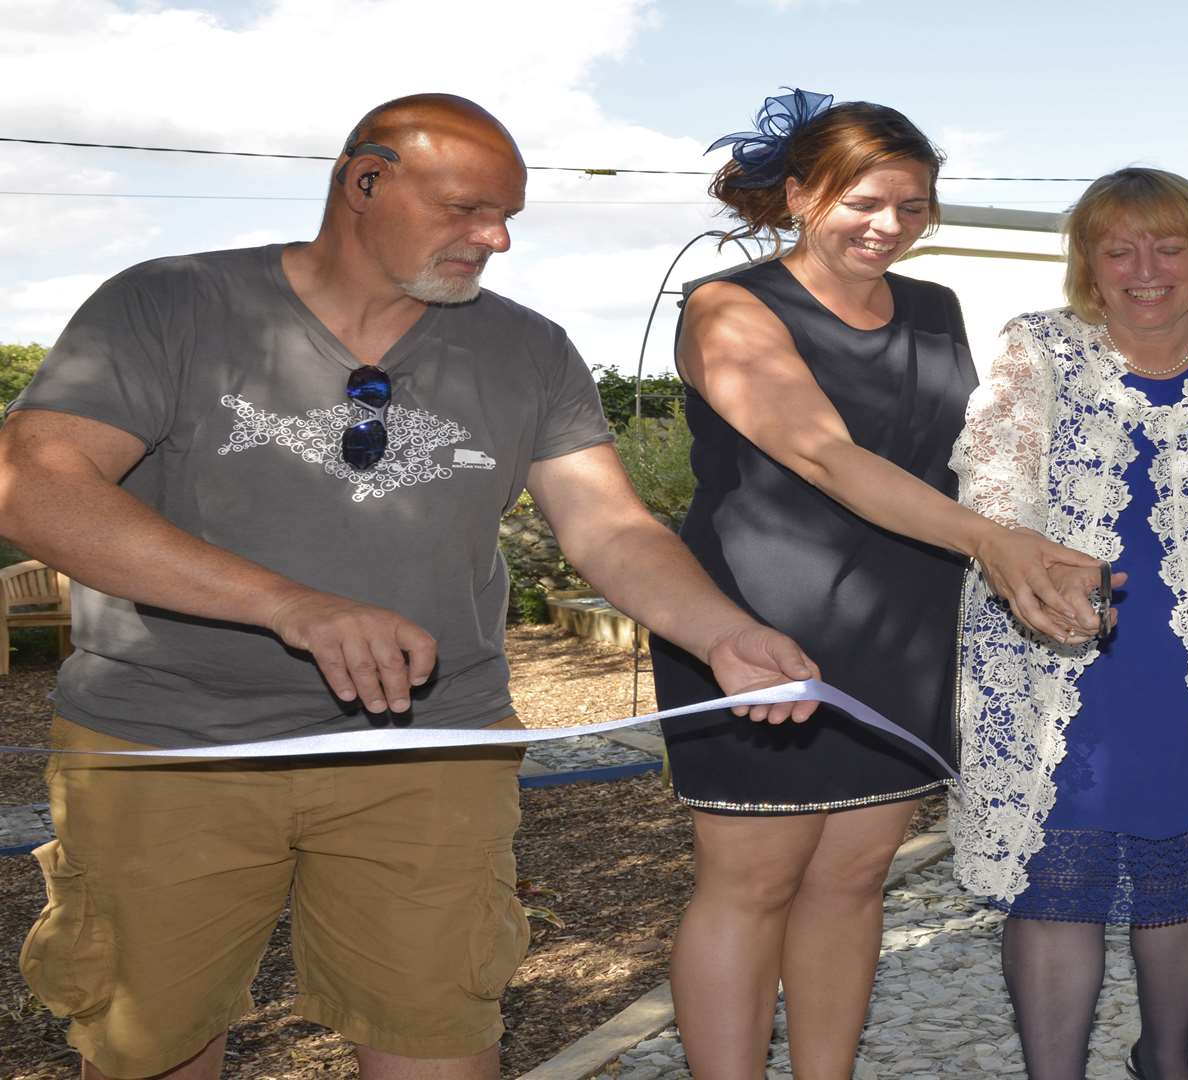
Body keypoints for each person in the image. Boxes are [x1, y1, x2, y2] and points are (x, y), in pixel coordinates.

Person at [0, 94, 819, 1080]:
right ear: (366, 181)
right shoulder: (169, 305)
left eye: (509, 213)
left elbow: (608, 527)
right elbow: (35, 485)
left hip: (432, 744)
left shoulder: (529, 350)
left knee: (439, 1041)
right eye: (469, 209)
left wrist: (722, 631)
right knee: (152, 1051)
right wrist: (291, 605)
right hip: (170, 745)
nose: (498, 238)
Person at [655, 89, 1108, 1079]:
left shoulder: (935, 308)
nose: (889, 225)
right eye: (866, 201)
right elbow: (823, 455)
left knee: (855, 878)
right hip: (759, 623)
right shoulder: (728, 306)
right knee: (754, 881)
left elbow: (960, 463)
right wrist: (993, 544)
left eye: (912, 206)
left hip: (900, 621)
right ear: (803, 193)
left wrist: (1040, 544)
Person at [950, 167, 1188, 1080]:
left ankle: (1168, 1057)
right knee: (1055, 870)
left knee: (1179, 852)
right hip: (1048, 644)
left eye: (1169, 245)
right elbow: (997, 477)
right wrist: (1028, 560)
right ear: (1090, 264)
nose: (1145, 268)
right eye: (1119, 249)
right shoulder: (1037, 348)